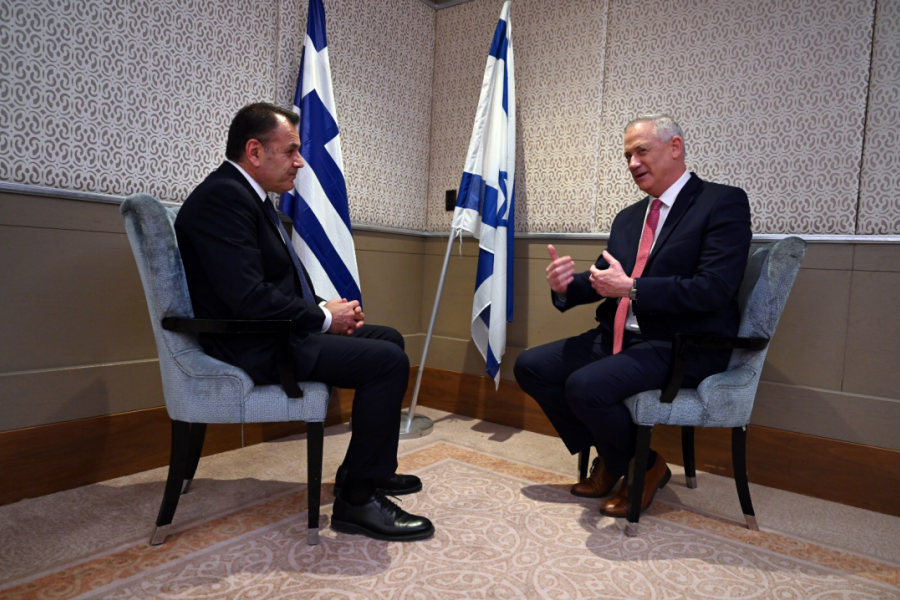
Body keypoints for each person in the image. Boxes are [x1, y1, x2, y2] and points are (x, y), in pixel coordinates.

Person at [175, 102, 434, 542]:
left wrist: (323, 308)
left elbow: (271, 285)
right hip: (252, 345)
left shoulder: (249, 198)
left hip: (273, 332)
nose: (299, 161)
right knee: (386, 363)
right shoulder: (223, 199)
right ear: (254, 151)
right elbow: (247, 299)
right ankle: (357, 501)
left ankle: (366, 470)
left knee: (389, 339)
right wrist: (323, 317)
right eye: (291, 150)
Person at [514, 114, 752, 517]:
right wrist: (566, 286)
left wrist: (634, 288)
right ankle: (620, 457)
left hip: (679, 343)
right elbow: (606, 278)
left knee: (585, 386)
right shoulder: (628, 218)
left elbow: (715, 287)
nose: (632, 163)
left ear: (675, 147)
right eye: (627, 155)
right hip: (619, 334)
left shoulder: (721, 202)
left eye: (641, 151)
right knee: (530, 366)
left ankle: (638, 466)